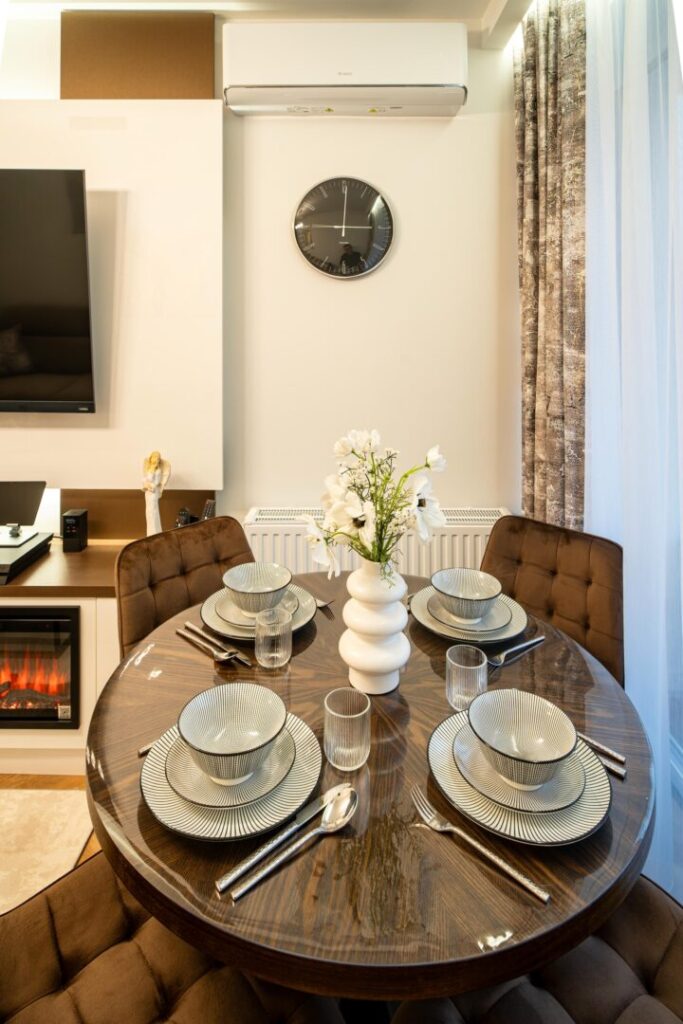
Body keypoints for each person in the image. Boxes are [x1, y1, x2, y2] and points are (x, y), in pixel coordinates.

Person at [142, 450, 171, 535]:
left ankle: (155, 533)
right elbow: (144, 478)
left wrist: (150, 485)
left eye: (158, 458)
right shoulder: (148, 468)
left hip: (153, 492)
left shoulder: (158, 470)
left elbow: (157, 482)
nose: (157, 460)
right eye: (155, 458)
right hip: (147, 492)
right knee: (148, 513)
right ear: (151, 458)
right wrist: (145, 484)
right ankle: (149, 534)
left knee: (153, 512)